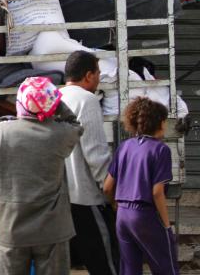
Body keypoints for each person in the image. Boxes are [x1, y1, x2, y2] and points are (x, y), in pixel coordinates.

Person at [0, 76, 83, 275]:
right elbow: (76, 124)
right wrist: (54, 101)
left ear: (20, 103)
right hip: (52, 230)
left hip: (11, 228)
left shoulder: (2, 133)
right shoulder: (59, 134)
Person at [60, 51, 118, 275]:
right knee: (106, 263)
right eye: (98, 74)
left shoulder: (55, 96)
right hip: (86, 197)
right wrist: (109, 190)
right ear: (88, 75)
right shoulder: (87, 100)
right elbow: (95, 152)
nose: (98, 79)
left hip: (60, 197)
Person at [105, 97, 177, 275]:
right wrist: (167, 225)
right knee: (166, 267)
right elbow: (157, 192)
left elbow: (107, 187)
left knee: (129, 269)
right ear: (160, 122)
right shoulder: (161, 150)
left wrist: (116, 205)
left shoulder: (124, 146)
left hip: (122, 215)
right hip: (146, 215)